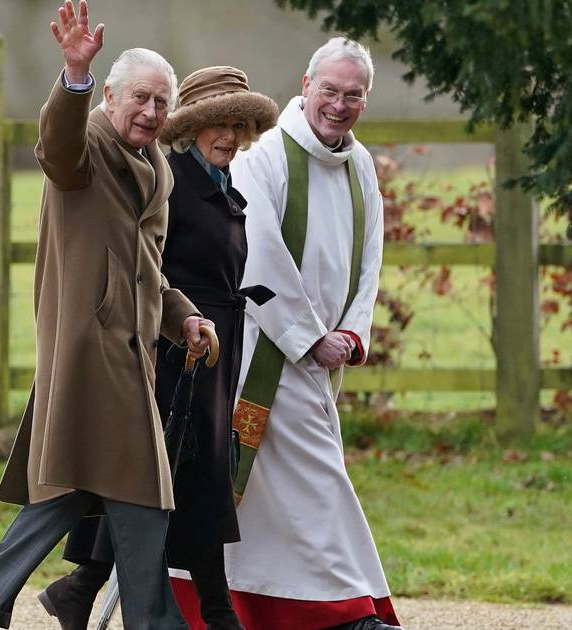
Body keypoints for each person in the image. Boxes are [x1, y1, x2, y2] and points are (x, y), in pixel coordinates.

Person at [0, 2, 212, 629]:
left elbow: (146, 268)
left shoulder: (155, 167)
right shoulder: (85, 144)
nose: (150, 112)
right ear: (110, 97)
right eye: (140, 97)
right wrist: (73, 76)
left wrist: (184, 320)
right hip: (91, 351)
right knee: (141, 489)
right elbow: (54, 147)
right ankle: (152, 623)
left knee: (87, 485)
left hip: (130, 352)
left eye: (162, 102)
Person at [173, 38, 404, 630]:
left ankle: (237, 610)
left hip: (323, 359)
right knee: (317, 479)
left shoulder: (361, 166)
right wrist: (308, 337)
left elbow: (371, 256)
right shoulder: (267, 156)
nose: (339, 104)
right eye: (329, 90)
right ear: (305, 85)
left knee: (266, 502)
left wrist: (351, 334)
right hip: (263, 355)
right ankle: (352, 611)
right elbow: (256, 256)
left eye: (354, 95)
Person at [36, 67, 279, 630]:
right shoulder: (171, 180)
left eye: (240, 125)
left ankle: (81, 587)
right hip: (172, 351)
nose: (230, 135)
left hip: (212, 342)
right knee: (168, 474)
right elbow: (147, 266)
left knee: (188, 474)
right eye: (218, 123)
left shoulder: (222, 186)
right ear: (191, 127)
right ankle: (213, 613)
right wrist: (171, 325)